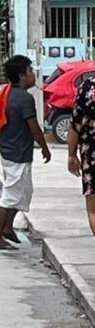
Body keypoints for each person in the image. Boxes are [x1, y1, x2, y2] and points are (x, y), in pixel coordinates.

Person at [0, 55, 51, 250]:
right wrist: (45, 147)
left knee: (23, 192)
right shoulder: (24, 98)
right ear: (22, 75)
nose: (33, 75)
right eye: (30, 72)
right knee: (11, 196)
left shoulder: (5, 93)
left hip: (9, 151)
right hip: (17, 153)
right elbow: (34, 127)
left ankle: (7, 228)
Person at [67, 76, 95, 237]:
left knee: (93, 209)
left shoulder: (88, 87)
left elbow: (75, 124)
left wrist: (71, 155)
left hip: (92, 155)